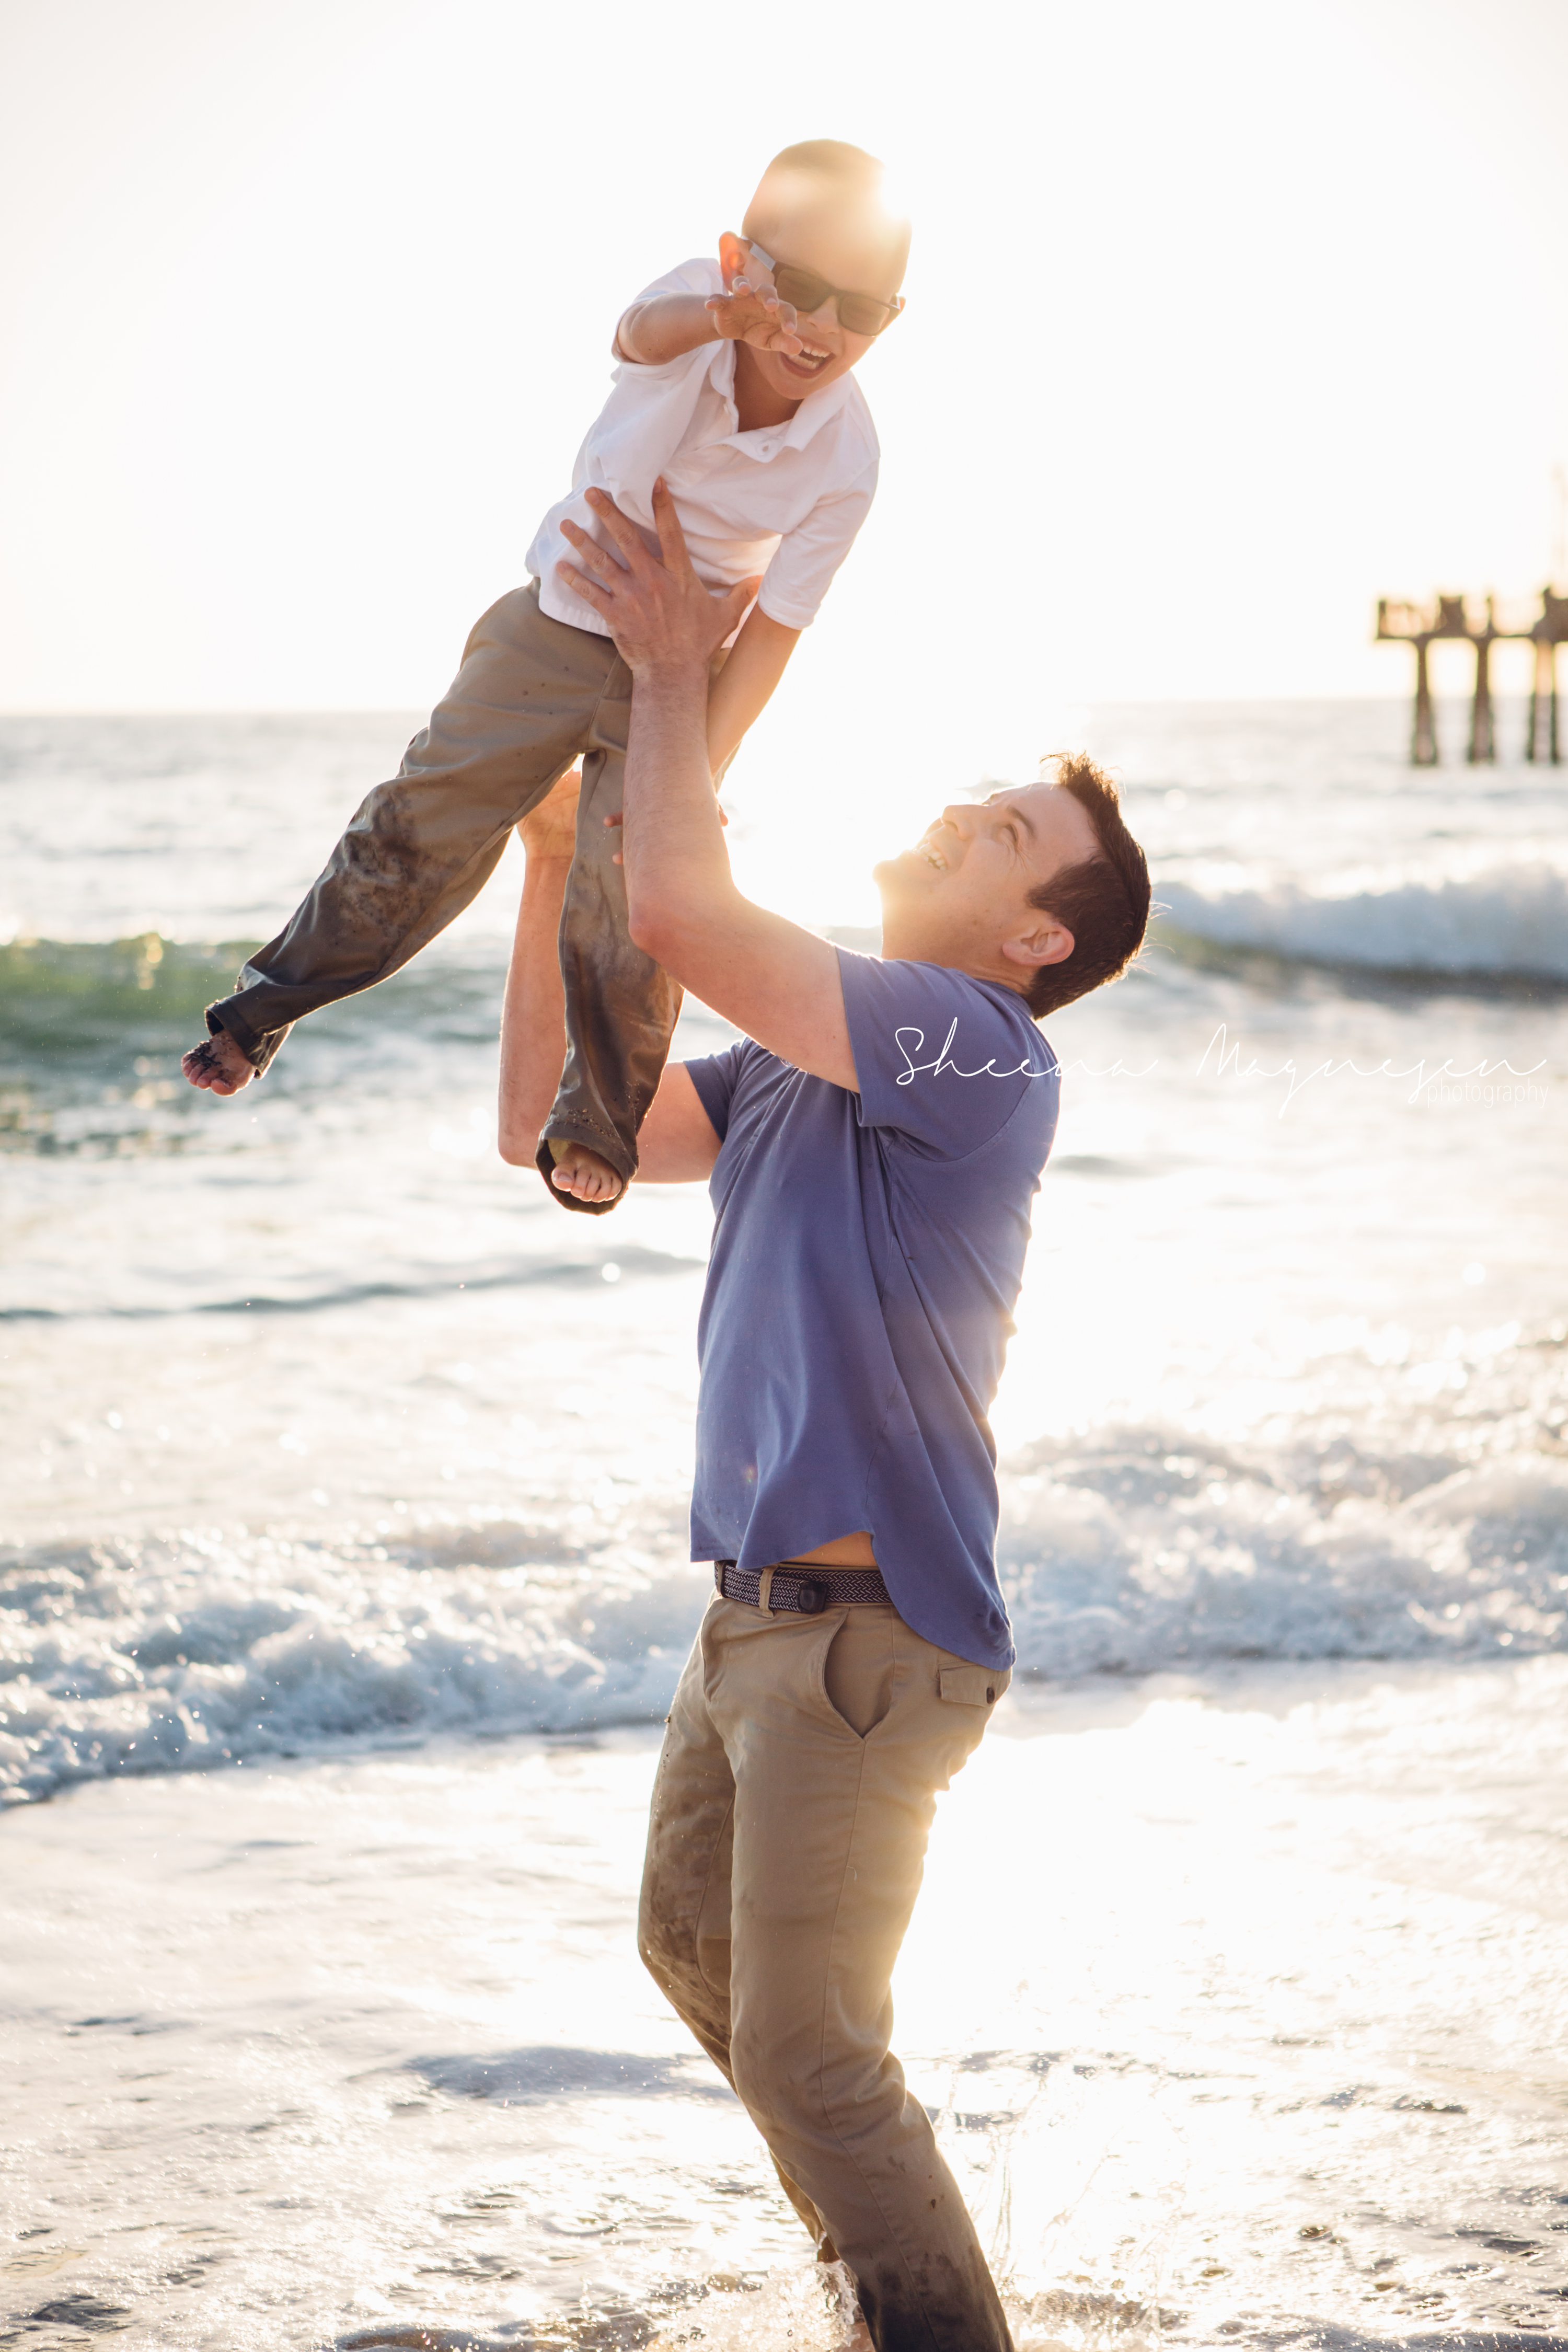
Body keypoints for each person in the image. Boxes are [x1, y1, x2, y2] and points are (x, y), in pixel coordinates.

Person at [497, 480, 1152, 2348]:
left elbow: (697, 904)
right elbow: (556, 1132)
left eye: (1008, 833)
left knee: (808, 2047)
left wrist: (673, 674)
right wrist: (554, 867)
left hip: (877, 1647)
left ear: (1035, 936)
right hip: (750, 1624)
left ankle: (929, 2323)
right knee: (696, 1966)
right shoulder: (794, 1073)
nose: (959, 811)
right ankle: (888, 2287)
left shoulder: (980, 1050)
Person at [180, 139, 908, 1216]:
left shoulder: (848, 458)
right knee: (423, 825)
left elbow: (774, 634)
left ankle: (602, 1123)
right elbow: (633, 333)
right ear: (736, 262)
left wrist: (693, 769)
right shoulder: (694, 312)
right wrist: (726, 316)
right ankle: (263, 1010)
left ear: (894, 318)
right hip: (555, 631)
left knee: (647, 898)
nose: (815, 327)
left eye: (859, 309)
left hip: (675, 685)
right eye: (793, 287)